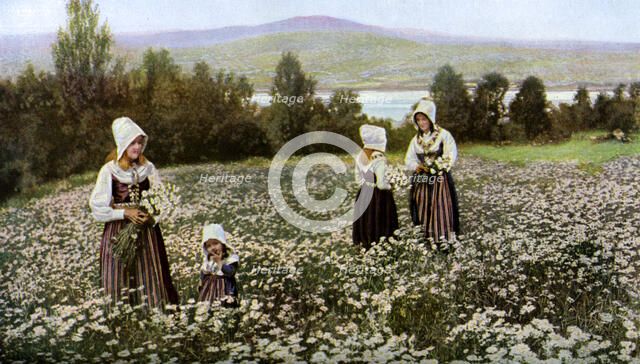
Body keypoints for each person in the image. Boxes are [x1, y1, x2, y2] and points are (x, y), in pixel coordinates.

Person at [89, 116, 179, 307]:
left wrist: (152, 216)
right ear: (122, 144)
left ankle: (153, 315)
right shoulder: (109, 170)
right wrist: (124, 213)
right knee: (118, 275)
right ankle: (120, 319)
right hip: (118, 231)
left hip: (146, 232)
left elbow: (161, 198)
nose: (137, 147)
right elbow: (97, 207)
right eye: (132, 143)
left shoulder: (148, 168)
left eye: (140, 142)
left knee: (149, 272)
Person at [404, 99, 460, 242]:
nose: (421, 123)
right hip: (422, 178)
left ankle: (442, 237)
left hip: (440, 178)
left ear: (430, 119)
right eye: (418, 120)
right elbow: (408, 159)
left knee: (440, 205)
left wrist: (439, 166)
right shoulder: (415, 140)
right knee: (422, 203)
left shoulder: (443, 135)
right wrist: (417, 166)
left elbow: (450, 154)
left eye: (424, 119)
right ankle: (426, 236)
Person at [352, 124, 399, 250]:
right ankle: (382, 247)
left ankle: (366, 245)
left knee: (367, 221)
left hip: (363, 193)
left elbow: (358, 179)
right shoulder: (378, 156)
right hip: (379, 196)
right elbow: (381, 184)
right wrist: (392, 185)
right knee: (379, 221)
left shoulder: (360, 155)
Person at [198, 224, 240, 307]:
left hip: (225, 290)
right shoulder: (208, 261)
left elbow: (230, 273)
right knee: (207, 306)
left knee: (225, 307)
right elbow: (204, 273)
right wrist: (201, 283)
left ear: (222, 243)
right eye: (209, 246)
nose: (212, 248)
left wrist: (219, 262)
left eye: (215, 243)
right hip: (209, 290)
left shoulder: (230, 259)